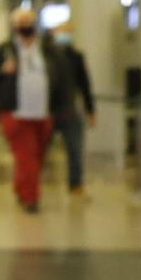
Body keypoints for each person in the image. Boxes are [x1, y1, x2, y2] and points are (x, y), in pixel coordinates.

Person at [0, 7, 75, 213]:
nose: (25, 26)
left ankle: (22, 187)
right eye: (20, 22)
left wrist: (65, 107)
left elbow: (64, 80)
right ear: (14, 26)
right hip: (15, 113)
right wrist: (2, 71)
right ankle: (31, 199)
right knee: (26, 155)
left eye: (28, 21)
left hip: (43, 113)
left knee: (37, 156)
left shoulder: (49, 51)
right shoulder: (4, 50)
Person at [53, 24, 97, 195]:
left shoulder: (76, 57)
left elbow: (85, 85)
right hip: (48, 111)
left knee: (75, 148)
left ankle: (76, 183)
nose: (63, 36)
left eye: (67, 33)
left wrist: (90, 110)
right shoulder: (47, 55)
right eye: (60, 33)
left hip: (69, 110)